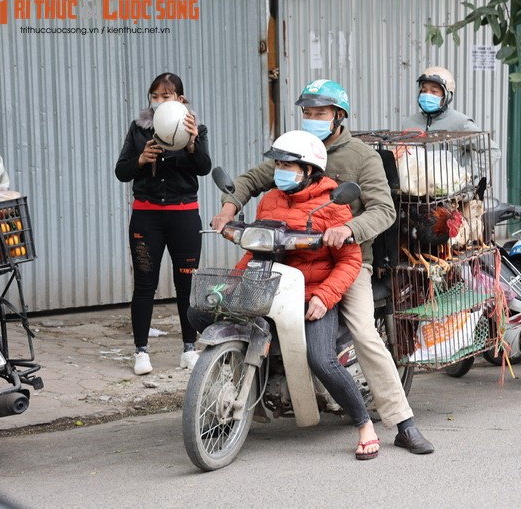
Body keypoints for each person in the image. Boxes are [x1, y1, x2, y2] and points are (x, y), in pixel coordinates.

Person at [211, 79, 435, 455]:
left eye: (321, 113)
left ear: (339, 116)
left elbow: (384, 209)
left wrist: (349, 228)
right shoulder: (295, 149)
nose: (312, 119)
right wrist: (228, 208)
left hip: (345, 262)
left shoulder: (361, 158)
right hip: (286, 255)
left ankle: (402, 422)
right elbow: (253, 179)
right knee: (240, 308)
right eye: (308, 112)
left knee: (364, 331)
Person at [192, 130, 380, 459]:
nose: (280, 170)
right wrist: (237, 283)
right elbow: (257, 250)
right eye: (278, 163)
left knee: (321, 359)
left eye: (288, 165)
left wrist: (325, 296)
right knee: (200, 311)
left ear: (309, 170)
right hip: (269, 287)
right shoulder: (271, 200)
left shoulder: (332, 204)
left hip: (311, 294)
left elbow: (350, 260)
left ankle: (364, 425)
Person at [115, 72, 212, 376]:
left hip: (184, 215)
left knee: (186, 285)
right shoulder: (139, 130)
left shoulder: (195, 129)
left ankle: (189, 349)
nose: (159, 102)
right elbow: (122, 171)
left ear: (180, 100)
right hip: (147, 215)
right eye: (154, 96)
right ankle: (141, 352)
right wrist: (141, 159)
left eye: (166, 96)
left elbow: (204, 168)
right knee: (145, 284)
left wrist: (193, 143)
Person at [402, 66, 502, 176]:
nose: (427, 95)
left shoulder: (461, 122)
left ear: (447, 95)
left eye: (434, 91)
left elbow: (492, 150)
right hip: (414, 189)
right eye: (424, 90)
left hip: (450, 191)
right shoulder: (409, 123)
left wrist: (465, 174)